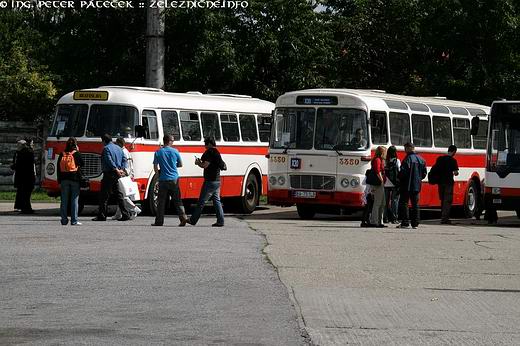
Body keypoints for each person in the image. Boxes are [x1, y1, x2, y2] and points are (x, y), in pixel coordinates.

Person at [187, 137, 225, 227]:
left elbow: (205, 165)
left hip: (210, 181)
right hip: (217, 180)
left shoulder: (209, 152)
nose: (204, 145)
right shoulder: (217, 152)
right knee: (217, 201)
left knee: (201, 202)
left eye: (205, 143)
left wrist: (198, 163)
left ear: (209, 144)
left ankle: (193, 220)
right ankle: (220, 221)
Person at [92, 134, 131, 221]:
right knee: (118, 194)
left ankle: (102, 215)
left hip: (109, 173)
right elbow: (124, 159)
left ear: (104, 141)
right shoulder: (118, 148)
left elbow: (109, 160)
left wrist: (115, 168)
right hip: (116, 174)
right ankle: (125, 214)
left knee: (104, 196)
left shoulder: (106, 149)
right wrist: (121, 168)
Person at [151, 134, 188, 227]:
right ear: (170, 141)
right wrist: (172, 166)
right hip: (174, 179)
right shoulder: (175, 151)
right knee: (177, 200)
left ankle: (159, 221)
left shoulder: (158, 152)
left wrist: (158, 175)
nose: (173, 142)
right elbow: (180, 164)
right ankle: (183, 219)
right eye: (173, 140)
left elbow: (155, 166)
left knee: (161, 201)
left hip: (163, 179)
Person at [397, 142, 427, 229]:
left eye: (405, 148)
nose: (405, 151)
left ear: (409, 148)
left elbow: (403, 172)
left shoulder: (407, 159)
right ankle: (415, 223)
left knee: (404, 203)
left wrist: (399, 178)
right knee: (415, 204)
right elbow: (424, 173)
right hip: (416, 185)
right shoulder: (421, 160)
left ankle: (405, 222)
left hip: (406, 185)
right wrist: (418, 179)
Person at [112, 137, 142, 220]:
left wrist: (122, 173)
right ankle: (118, 214)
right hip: (128, 174)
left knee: (122, 195)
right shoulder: (127, 151)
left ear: (119, 144)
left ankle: (135, 208)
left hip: (124, 175)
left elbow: (124, 165)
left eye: (116, 144)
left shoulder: (122, 152)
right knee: (121, 195)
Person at [57, 137, 84, 225]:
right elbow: (82, 163)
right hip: (75, 180)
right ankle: (74, 220)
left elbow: (58, 169)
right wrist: (78, 151)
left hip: (64, 180)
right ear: (75, 145)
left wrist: (59, 181)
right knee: (74, 200)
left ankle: (64, 220)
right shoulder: (76, 154)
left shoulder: (62, 154)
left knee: (64, 201)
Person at [434, 145, 459, 224]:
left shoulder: (440, 159)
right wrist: (456, 172)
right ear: (454, 151)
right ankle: (445, 218)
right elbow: (455, 173)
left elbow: (436, 169)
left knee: (442, 200)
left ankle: (443, 216)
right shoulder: (453, 161)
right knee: (447, 201)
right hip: (448, 183)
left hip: (440, 182)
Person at [13, 137, 36, 214]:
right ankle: (27, 208)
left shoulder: (20, 153)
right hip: (29, 176)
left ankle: (25, 208)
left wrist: (13, 166)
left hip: (22, 176)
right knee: (27, 193)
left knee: (24, 193)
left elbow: (18, 165)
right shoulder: (30, 152)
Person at [369, 146, 387, 227]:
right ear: (382, 152)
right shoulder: (377, 160)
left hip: (379, 183)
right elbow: (377, 171)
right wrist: (382, 180)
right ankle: (375, 221)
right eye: (385, 152)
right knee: (378, 203)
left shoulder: (380, 160)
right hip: (378, 183)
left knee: (382, 203)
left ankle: (380, 221)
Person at [384, 146, 400, 224]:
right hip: (395, 183)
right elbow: (399, 171)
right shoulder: (397, 161)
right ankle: (394, 218)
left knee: (386, 201)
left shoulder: (385, 161)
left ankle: (385, 218)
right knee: (395, 201)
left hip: (386, 183)